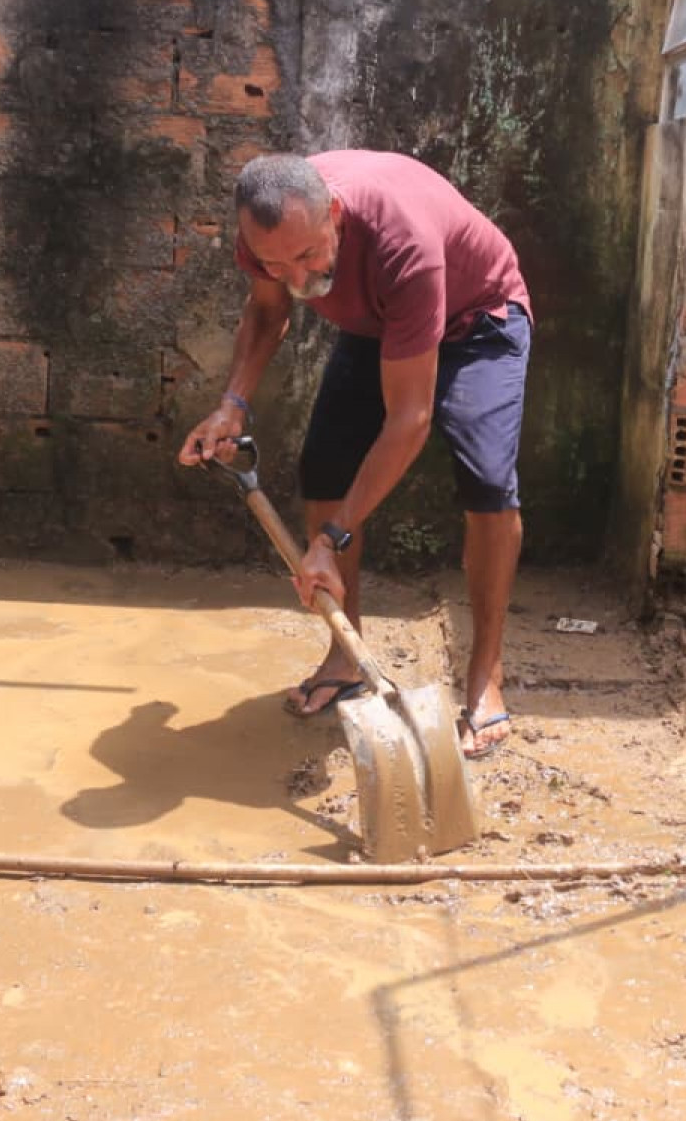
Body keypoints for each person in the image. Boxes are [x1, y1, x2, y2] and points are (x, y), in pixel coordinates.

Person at [177, 151, 531, 759]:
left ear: (334, 215)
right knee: (325, 468)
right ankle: (345, 655)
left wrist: (331, 540)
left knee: (488, 483)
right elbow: (268, 311)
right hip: (378, 327)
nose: (296, 276)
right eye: (276, 263)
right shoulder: (267, 233)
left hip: (479, 322)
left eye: (310, 256)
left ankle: (485, 676)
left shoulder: (403, 243)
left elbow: (410, 420)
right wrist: (232, 402)